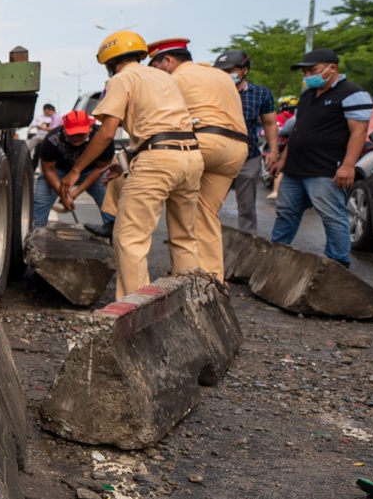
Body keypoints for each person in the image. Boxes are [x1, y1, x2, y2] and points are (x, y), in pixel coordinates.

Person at [63, 31, 202, 299]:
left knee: (130, 240)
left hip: (157, 160)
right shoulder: (164, 76)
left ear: (108, 62)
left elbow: (106, 133)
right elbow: (163, 124)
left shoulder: (121, 80)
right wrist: (126, 160)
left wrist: (76, 170)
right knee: (185, 238)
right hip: (191, 156)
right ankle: (193, 301)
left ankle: (134, 314)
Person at [147, 38, 247, 281]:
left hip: (204, 142)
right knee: (205, 215)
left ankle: (182, 274)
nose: (154, 74)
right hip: (236, 149)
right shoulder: (220, 75)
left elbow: (158, 118)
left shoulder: (174, 78)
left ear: (168, 61)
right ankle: (212, 282)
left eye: (154, 67)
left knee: (176, 203)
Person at [270, 49, 372, 267]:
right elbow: (298, 130)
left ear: (332, 68)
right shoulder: (307, 95)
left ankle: (337, 265)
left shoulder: (352, 93)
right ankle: (275, 255)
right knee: (286, 212)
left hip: (325, 169)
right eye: (305, 72)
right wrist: (283, 159)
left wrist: (347, 165)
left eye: (312, 70)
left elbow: (359, 132)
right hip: (296, 167)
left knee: (332, 216)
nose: (307, 76)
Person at [212, 50, 277, 231]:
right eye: (222, 71)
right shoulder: (212, 93)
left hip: (249, 157)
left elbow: (270, 123)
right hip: (217, 157)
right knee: (209, 204)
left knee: (246, 206)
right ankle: (205, 243)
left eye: (231, 70)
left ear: (245, 70)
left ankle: (248, 243)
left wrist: (273, 151)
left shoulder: (261, 94)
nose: (226, 75)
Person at [32, 109, 115, 234]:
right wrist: (63, 194)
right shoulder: (52, 139)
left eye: (81, 134)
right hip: (58, 172)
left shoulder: (102, 138)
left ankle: (113, 233)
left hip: (91, 172)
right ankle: (36, 233)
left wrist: (74, 194)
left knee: (108, 199)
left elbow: (100, 168)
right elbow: (48, 169)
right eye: (72, 134)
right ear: (64, 129)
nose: (76, 139)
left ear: (90, 128)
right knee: (41, 199)